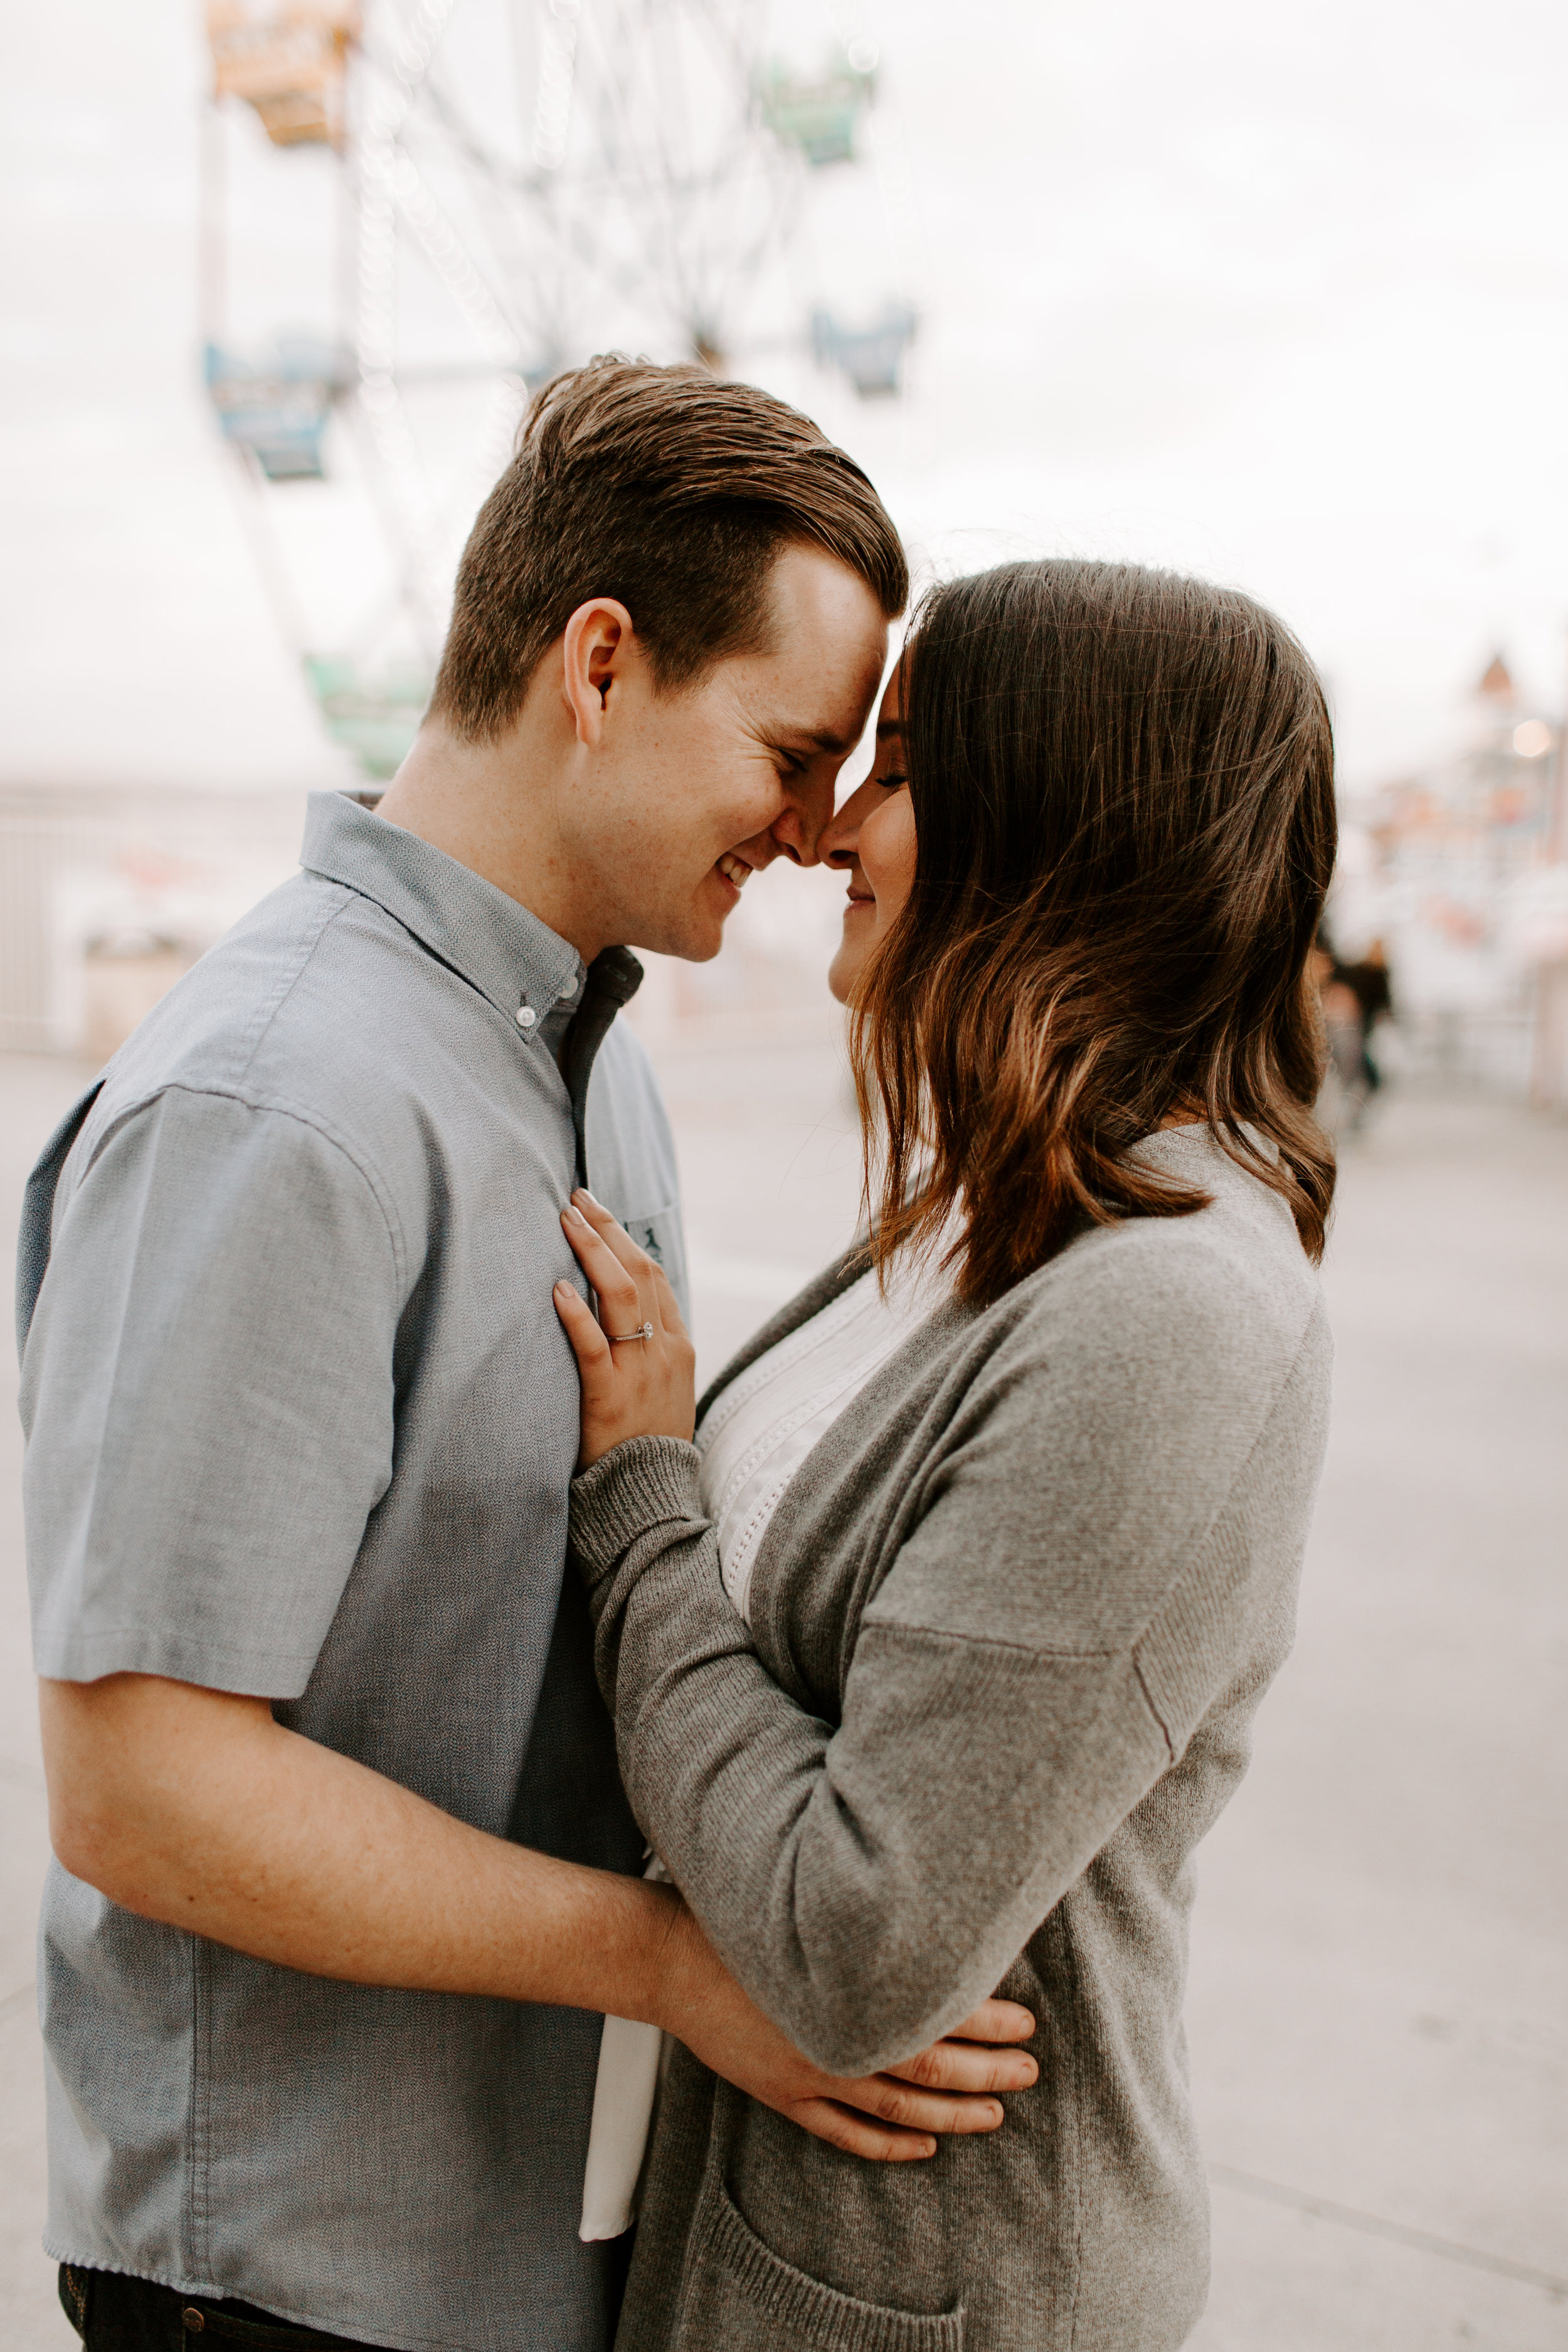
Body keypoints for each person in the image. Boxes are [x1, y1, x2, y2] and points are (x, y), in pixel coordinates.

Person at [18, 361, 1036, 2352]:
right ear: (598, 665)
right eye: (789, 746)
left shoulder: (586, 1067)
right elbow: (143, 1788)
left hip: (512, 2250)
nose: (820, 825)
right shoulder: (277, 1108)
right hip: (298, 2279)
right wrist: (671, 1963)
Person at [551, 559, 1339, 2351]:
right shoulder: (985, 1215)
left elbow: (851, 1943)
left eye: (898, 764)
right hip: (775, 2237)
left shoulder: (1166, 1315)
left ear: (1052, 822)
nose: (828, 818)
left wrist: (639, 1496)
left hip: (944, 2288)